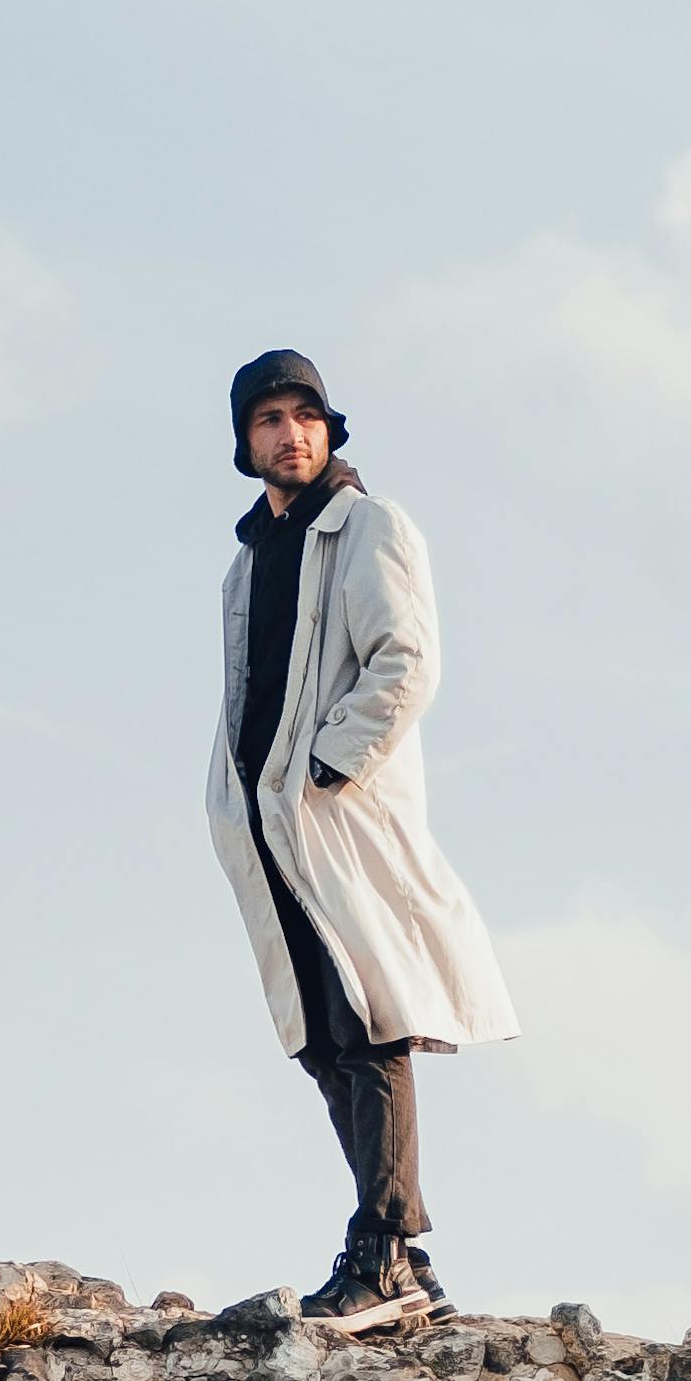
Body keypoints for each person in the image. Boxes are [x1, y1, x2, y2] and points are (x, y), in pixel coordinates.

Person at [204, 345, 515, 1320]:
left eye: (304, 414)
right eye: (267, 419)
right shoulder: (244, 567)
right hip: (269, 828)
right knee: (319, 1035)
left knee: (373, 1019)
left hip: (338, 815)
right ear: (244, 442)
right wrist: (239, 799)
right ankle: (400, 1262)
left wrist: (329, 766)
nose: (288, 432)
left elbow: (406, 660)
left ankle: (384, 1251)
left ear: (330, 427)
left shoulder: (370, 525)